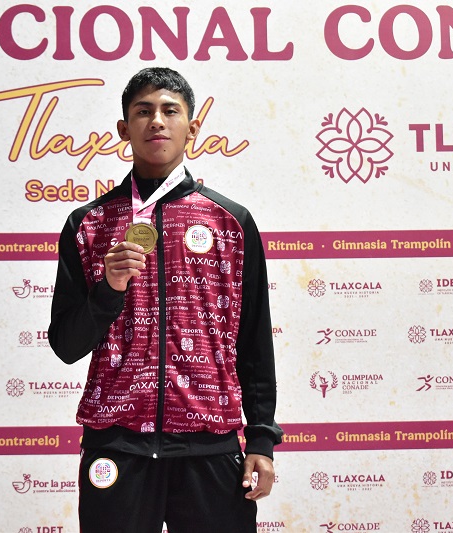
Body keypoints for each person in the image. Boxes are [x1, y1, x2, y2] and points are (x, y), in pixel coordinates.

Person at [48, 67, 282, 533]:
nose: (157, 121)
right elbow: (66, 345)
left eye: (169, 110)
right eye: (143, 111)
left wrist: (261, 437)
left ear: (191, 128)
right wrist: (108, 291)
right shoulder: (88, 225)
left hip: (209, 443)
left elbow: (254, 340)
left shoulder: (231, 223)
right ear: (124, 129)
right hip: (117, 446)